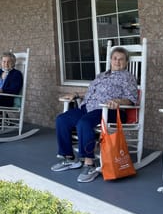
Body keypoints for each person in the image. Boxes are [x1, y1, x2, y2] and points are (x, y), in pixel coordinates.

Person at [51, 47, 138, 183]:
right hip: (89, 108)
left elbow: (132, 99)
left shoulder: (127, 77)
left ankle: (89, 164)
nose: (117, 61)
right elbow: (92, 92)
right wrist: (76, 94)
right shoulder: (102, 75)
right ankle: (69, 158)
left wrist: (118, 101)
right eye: (115, 58)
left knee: (84, 123)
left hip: (110, 111)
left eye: (121, 59)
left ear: (126, 62)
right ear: (110, 60)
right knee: (62, 120)